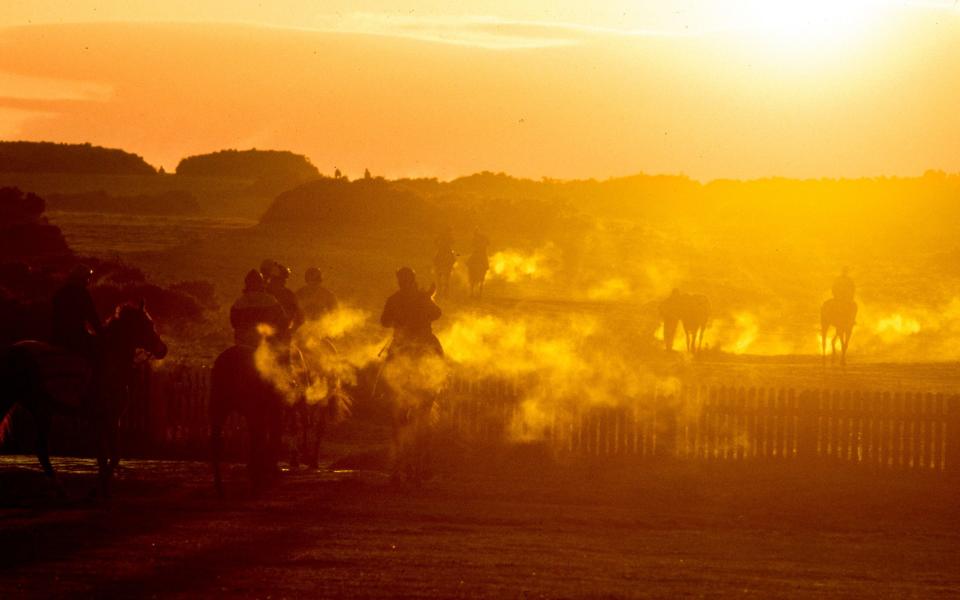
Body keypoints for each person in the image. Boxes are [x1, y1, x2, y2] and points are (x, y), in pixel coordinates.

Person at [381, 267, 443, 358]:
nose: (402, 283)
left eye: (403, 281)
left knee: (388, 362)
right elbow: (437, 313)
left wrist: (396, 322)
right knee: (439, 358)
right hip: (423, 338)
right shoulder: (422, 296)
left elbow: (385, 322)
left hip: (402, 340)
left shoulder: (393, 299)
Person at [51, 264, 102, 364]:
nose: (88, 281)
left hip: (57, 334)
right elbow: (92, 316)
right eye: (87, 278)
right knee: (97, 353)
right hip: (76, 335)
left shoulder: (60, 292)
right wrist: (101, 333)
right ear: (82, 279)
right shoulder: (82, 293)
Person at [230, 269, 287, 348]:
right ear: (262, 284)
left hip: (243, 342)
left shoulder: (239, 302)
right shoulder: (270, 300)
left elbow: (234, 323)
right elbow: (282, 321)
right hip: (265, 341)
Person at [260, 259, 305, 341]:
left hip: (276, 335)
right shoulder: (263, 293)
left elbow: (300, 317)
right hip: (269, 335)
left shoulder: (287, 295)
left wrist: (290, 331)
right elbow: (300, 318)